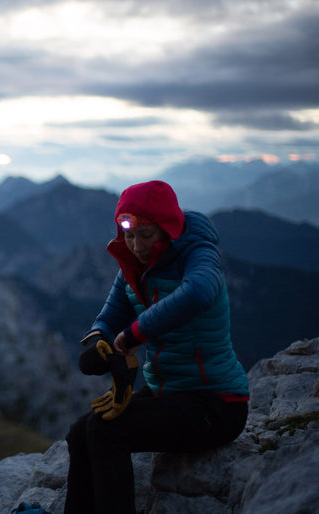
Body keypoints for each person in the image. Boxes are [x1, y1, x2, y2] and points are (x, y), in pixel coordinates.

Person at [63, 180, 250, 514]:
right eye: (129, 235)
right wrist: (97, 342)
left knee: (107, 432)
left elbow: (198, 293)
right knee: (80, 433)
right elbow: (109, 316)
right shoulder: (135, 267)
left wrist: (132, 336)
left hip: (216, 403)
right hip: (170, 391)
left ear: (168, 228)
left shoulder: (199, 254)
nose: (136, 245)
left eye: (145, 235)